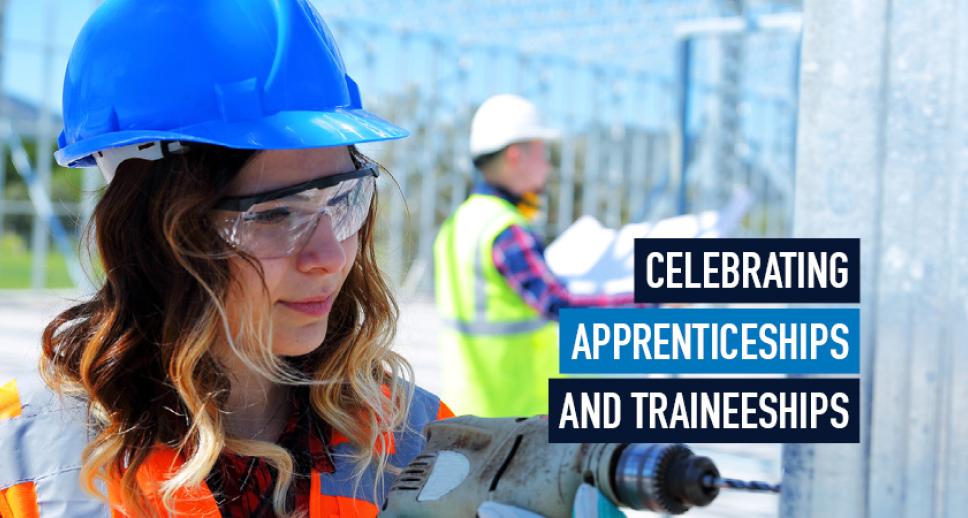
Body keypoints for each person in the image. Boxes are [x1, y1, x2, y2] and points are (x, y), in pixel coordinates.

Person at [0, 1, 456, 516]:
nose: (330, 256)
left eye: (343, 199)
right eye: (276, 214)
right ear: (149, 233)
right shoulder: (21, 464)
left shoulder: (422, 437)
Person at [434, 94, 641, 418]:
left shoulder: (458, 223)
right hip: (517, 418)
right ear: (516, 155)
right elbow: (561, 305)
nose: (548, 166)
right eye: (543, 154)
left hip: (468, 410)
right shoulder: (505, 229)